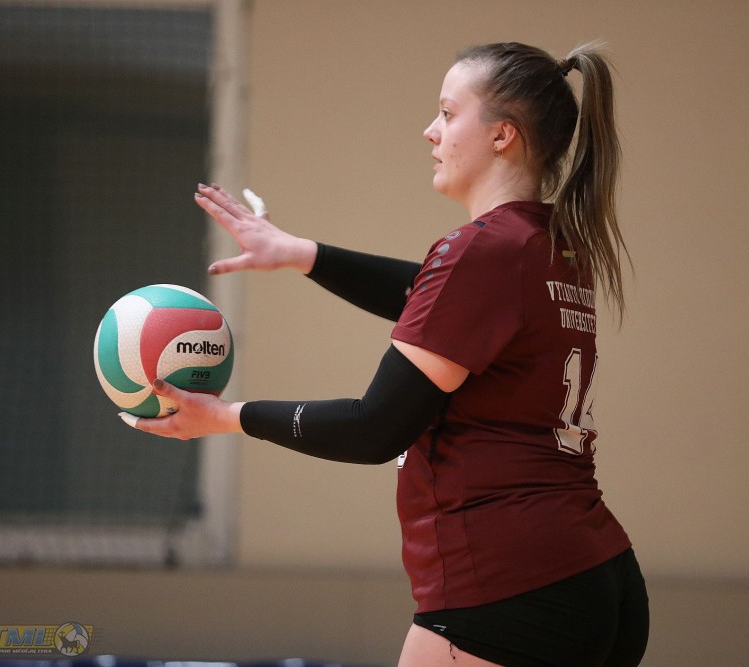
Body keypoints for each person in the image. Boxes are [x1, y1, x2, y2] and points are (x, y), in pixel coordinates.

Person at [128, 41, 649, 667]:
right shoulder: (550, 245)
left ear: (502, 134)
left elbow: (375, 428)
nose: (431, 130)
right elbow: (435, 296)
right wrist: (300, 254)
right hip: (597, 573)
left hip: (509, 585)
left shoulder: (484, 251)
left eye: (448, 113)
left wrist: (226, 417)